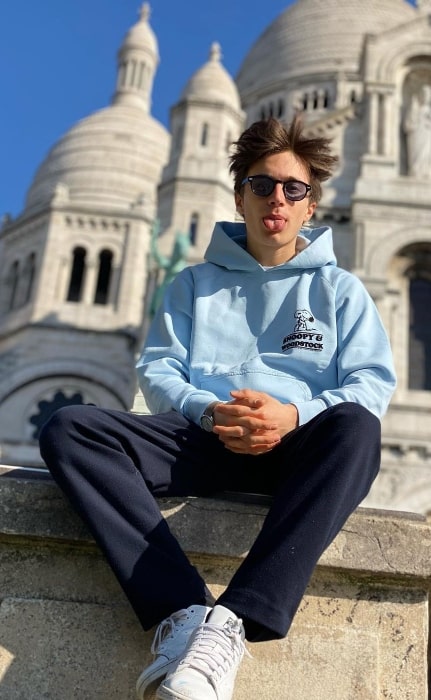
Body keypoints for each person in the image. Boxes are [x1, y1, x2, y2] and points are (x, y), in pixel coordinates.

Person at [39, 116, 396, 700]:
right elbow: (158, 370)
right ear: (239, 197)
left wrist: (293, 416)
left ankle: (232, 622)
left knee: (356, 429)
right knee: (72, 428)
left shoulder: (341, 291)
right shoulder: (192, 284)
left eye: (293, 188)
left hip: (295, 451)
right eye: (261, 185)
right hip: (204, 438)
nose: (276, 198)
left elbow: (370, 383)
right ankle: (183, 614)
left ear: (310, 207)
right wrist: (209, 411)